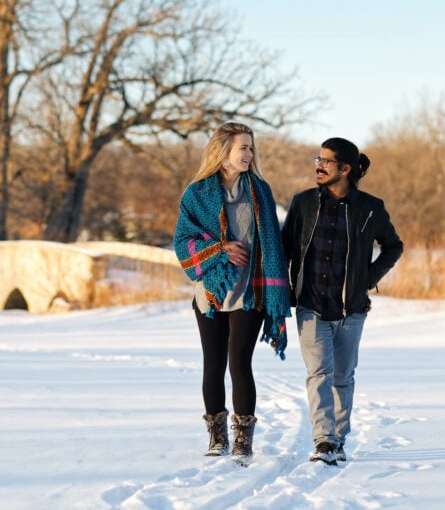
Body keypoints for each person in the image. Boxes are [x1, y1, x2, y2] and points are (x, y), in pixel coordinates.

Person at [173, 121, 291, 466]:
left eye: (251, 147)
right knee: (213, 364)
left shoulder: (260, 190)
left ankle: (243, 439)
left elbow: (272, 243)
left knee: (240, 363)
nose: (249, 154)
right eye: (243, 148)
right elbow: (183, 242)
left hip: (251, 292)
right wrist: (219, 248)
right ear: (223, 152)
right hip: (211, 292)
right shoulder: (196, 193)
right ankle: (217, 435)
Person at [281, 137, 404, 465]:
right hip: (310, 305)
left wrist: (369, 277)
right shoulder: (303, 203)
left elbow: (393, 245)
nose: (318, 166)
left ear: (345, 169)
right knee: (319, 373)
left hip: (351, 309)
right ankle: (324, 440)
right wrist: (280, 291)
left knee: (342, 377)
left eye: (326, 161)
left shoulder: (370, 207)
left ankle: (339, 439)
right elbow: (285, 249)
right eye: (317, 159)